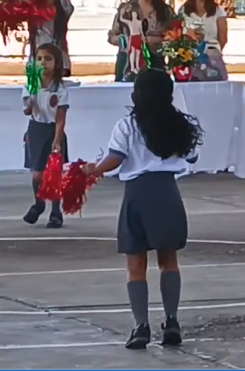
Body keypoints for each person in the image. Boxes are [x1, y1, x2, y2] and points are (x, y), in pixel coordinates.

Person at [84, 69, 204, 350]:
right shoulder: (179, 125)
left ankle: (141, 326)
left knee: (136, 264)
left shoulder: (127, 125)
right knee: (169, 260)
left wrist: (95, 170)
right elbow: (193, 155)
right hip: (167, 191)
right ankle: (171, 320)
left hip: (137, 193)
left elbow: (116, 157)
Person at [21, 43, 71, 229]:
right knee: (37, 174)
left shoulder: (60, 89)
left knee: (54, 173)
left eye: (48, 59)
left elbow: (60, 118)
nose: (43, 62)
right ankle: (39, 203)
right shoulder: (31, 85)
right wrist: (30, 103)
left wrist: (57, 140)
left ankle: (56, 211)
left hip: (52, 130)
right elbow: (27, 111)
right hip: (36, 129)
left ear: (57, 63)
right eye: (39, 58)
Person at [108, 0, 173, 82]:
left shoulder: (166, 11)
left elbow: (174, 38)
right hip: (127, 62)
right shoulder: (125, 9)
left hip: (155, 60)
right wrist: (125, 41)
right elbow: (112, 36)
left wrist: (153, 40)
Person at [20, 0, 74, 77]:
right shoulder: (34, 8)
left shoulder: (64, 9)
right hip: (36, 61)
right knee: (33, 93)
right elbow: (19, 2)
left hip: (59, 62)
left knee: (57, 93)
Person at [179, 0, 229, 81]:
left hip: (213, 61)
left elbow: (223, 39)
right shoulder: (183, 10)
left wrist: (210, 55)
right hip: (189, 61)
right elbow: (179, 35)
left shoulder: (218, 11)